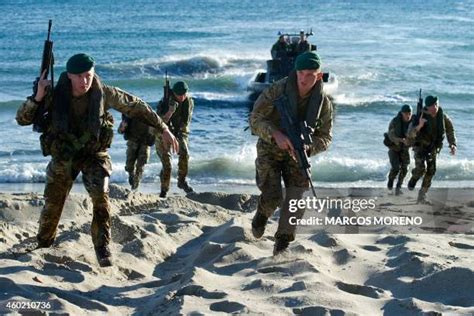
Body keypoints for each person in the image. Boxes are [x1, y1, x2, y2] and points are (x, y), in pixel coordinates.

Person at [16, 53, 178, 267]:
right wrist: (37, 97)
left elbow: (136, 106)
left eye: (89, 75)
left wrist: (163, 128)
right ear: (70, 76)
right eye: (79, 76)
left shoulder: (105, 93)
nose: (85, 81)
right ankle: (44, 244)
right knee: (53, 203)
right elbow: (22, 119)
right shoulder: (53, 94)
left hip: (94, 154)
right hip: (64, 154)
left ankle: (102, 248)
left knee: (101, 197)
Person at [249, 51, 333, 255]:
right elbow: (255, 119)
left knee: (296, 200)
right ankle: (261, 215)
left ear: (319, 76)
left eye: (310, 74)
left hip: (298, 154)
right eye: (301, 73)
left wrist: (308, 147)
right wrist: (275, 134)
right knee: (272, 197)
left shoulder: (323, 104)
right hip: (270, 149)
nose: (304, 79)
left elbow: (326, 138)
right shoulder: (277, 91)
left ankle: (282, 244)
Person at [407, 95, 457, 204]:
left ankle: (422, 196)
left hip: (433, 147)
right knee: (420, 170)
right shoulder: (420, 116)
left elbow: (450, 130)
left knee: (431, 171)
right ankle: (414, 178)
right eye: (432, 106)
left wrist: (452, 144)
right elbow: (410, 134)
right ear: (427, 107)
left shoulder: (442, 117)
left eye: (436, 104)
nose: (435, 107)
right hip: (420, 146)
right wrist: (419, 126)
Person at [156, 81, 194, 198]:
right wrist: (169, 112)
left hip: (180, 132)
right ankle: (164, 190)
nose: (182, 97)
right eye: (179, 95)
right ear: (174, 93)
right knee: (167, 165)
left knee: (185, 153)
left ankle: (181, 181)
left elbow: (185, 122)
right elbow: (158, 123)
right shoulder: (165, 102)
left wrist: (178, 138)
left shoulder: (189, 101)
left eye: (184, 94)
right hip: (163, 132)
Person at [118, 113, 156, 190]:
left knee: (140, 165)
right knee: (129, 166)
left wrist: (153, 132)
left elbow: (157, 129)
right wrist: (122, 128)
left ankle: (135, 186)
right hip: (133, 141)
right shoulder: (129, 115)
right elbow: (120, 130)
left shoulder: (149, 116)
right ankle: (131, 175)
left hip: (145, 142)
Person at [385, 104, 412, 195]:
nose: (407, 115)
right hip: (394, 147)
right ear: (401, 113)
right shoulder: (395, 121)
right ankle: (391, 179)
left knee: (405, 168)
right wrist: (401, 140)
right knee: (396, 168)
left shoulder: (412, 122)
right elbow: (391, 135)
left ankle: (398, 187)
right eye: (405, 113)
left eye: (409, 113)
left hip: (405, 148)